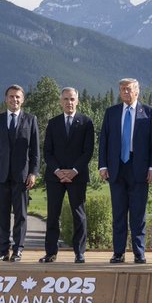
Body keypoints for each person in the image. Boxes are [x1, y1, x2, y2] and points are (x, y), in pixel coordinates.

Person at [98, 77, 152, 265]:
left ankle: (139, 253)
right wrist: (103, 166)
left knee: (138, 214)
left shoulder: (148, 113)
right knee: (118, 214)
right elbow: (104, 141)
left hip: (139, 168)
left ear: (137, 91)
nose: (126, 92)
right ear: (119, 91)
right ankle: (118, 253)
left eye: (129, 89)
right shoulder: (112, 113)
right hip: (117, 168)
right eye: (123, 89)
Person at [0, 84, 40, 263]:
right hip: (0, 175)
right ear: (6, 99)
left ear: (22, 99)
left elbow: (35, 151)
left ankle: (18, 250)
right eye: (11, 96)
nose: (14, 99)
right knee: (2, 214)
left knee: (21, 215)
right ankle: (3, 250)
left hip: (22, 176)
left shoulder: (31, 120)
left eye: (17, 97)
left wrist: (33, 173)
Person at [41, 87, 95, 264]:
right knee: (53, 215)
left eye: (72, 99)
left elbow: (88, 152)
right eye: (65, 99)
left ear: (77, 101)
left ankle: (80, 253)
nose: (69, 102)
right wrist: (58, 171)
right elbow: (47, 152)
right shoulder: (53, 123)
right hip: (55, 176)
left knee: (78, 215)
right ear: (60, 101)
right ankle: (50, 253)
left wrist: (73, 171)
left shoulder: (86, 122)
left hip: (77, 176)